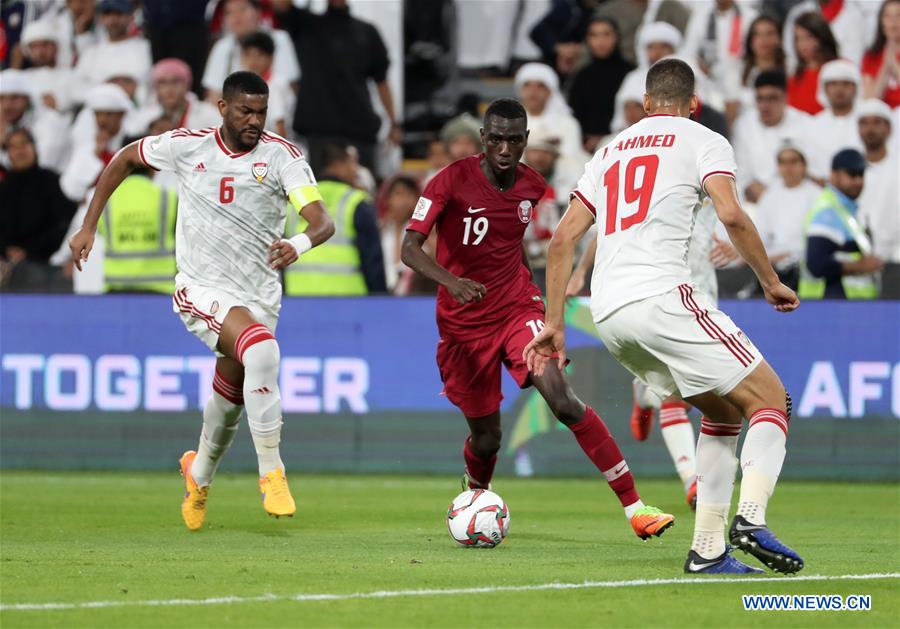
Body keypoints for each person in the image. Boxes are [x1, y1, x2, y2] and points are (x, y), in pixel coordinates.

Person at [526, 59, 804, 575]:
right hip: (662, 297)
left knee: (722, 414)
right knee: (773, 399)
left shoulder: (607, 151)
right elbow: (732, 215)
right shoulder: (703, 139)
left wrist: (556, 324)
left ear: (647, 103)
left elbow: (564, 237)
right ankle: (750, 518)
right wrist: (769, 280)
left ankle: (708, 552)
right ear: (692, 105)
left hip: (609, 313)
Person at [67, 71, 335, 530]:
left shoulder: (282, 157)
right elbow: (124, 159)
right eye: (246, 111)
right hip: (200, 287)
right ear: (224, 109)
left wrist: (300, 243)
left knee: (230, 396)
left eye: (262, 112)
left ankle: (199, 474)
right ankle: (272, 471)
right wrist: (90, 224)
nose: (255, 120)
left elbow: (321, 221)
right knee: (263, 351)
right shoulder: (188, 145)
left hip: (258, 295)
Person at [400, 98, 676, 541]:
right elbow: (409, 248)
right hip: (462, 326)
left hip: (516, 309)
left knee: (561, 398)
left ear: (525, 141)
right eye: (496, 140)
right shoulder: (449, 180)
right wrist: (452, 281)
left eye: (514, 140)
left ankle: (636, 507)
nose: (505, 149)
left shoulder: (533, 186)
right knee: (486, 438)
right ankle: (477, 498)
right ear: (483, 140)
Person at [273, 0, 401, 175]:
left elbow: (382, 81)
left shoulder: (367, 31)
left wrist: (394, 123)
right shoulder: (306, 24)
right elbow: (280, 4)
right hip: (318, 132)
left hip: (360, 130)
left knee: (362, 193)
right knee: (319, 195)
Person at [284, 141, 386, 295]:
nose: (356, 171)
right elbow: (373, 260)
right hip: (350, 302)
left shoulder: (294, 203)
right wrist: (381, 301)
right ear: (338, 164)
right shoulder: (357, 202)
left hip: (298, 300)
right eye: (353, 164)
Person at [0, 129, 77, 291]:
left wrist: (29, 251)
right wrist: (6, 249)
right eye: (13, 147)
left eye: (24, 144)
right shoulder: (3, 187)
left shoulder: (52, 181)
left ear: (34, 148)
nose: (20, 151)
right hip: (5, 264)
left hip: (44, 265)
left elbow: (64, 224)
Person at [800, 148, 883, 299]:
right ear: (834, 174)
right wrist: (861, 266)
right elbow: (816, 264)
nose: (858, 181)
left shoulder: (844, 209)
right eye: (852, 174)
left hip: (845, 305)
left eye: (861, 174)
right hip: (830, 307)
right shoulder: (828, 210)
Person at [97, 155, 177, 294]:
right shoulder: (168, 197)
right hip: (161, 289)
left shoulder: (106, 200)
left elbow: (102, 232)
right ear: (153, 168)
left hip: (117, 288)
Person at [733, 70, 811, 202]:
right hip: (756, 199)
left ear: (785, 98)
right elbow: (740, 170)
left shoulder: (805, 123)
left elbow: (809, 169)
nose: (765, 106)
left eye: (772, 98)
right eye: (760, 99)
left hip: (797, 197)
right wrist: (765, 197)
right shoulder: (744, 124)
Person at [202, 0, 299, 104]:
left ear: (258, 12)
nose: (236, 17)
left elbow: (288, 88)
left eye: (242, 9)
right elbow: (213, 97)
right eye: (228, 12)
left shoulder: (279, 39)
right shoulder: (222, 46)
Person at [754, 143, 823, 288]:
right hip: (771, 263)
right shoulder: (770, 195)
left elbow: (816, 241)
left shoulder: (817, 195)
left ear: (804, 165)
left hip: (803, 266)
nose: (788, 168)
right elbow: (760, 234)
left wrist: (786, 255)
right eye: (783, 162)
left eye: (793, 161)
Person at [514, 62, 588, 198]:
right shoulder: (510, 122)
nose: (533, 92)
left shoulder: (567, 123)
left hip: (559, 188)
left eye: (540, 86)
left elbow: (571, 159)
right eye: (527, 85)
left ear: (550, 91)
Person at [681, 0, 757, 124]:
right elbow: (688, 52)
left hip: (741, 79)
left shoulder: (750, 16)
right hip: (709, 81)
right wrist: (701, 68)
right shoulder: (701, 15)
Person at [568, 17, 635, 153]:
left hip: (624, 143)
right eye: (594, 35)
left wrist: (603, 137)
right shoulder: (581, 75)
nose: (600, 41)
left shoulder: (631, 74)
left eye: (606, 34)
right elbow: (574, 113)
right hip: (585, 147)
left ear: (617, 37)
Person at [72, 0, 152, 103]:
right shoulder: (91, 52)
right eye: (107, 14)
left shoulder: (145, 48)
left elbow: (152, 83)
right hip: (97, 110)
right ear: (100, 18)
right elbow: (75, 88)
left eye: (119, 14)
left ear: (130, 17)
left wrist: (135, 90)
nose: (113, 20)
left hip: (137, 110)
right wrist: (106, 89)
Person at [856, 98, 900, 282]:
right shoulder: (850, 169)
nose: (870, 129)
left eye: (876, 122)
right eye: (864, 123)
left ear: (888, 128)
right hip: (859, 261)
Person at [127, 59, 220, 137]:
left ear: (187, 84)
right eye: (163, 82)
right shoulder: (143, 117)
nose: (169, 88)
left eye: (175, 81)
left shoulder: (208, 114)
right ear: (155, 88)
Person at [0, 69, 70, 173]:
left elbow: (40, 167)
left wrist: (3, 147)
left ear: (28, 99)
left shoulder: (50, 122)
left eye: (14, 98)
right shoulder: (7, 123)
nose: (7, 106)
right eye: (1, 99)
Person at [807, 60, 864, 179]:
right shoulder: (813, 125)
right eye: (833, 84)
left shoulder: (867, 120)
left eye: (845, 84)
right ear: (824, 88)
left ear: (855, 87)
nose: (839, 89)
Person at [593, 0, 691, 66]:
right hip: (620, 69)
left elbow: (690, 45)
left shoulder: (672, 8)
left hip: (672, 67)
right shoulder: (609, 11)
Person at [239, 31, 294, 138]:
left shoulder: (276, 85)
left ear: (271, 58)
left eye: (259, 55)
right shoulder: (245, 87)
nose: (253, 61)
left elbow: (280, 129)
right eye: (248, 55)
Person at [784, 0, 866, 67]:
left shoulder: (854, 12)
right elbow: (791, 56)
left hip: (840, 76)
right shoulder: (798, 12)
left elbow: (854, 57)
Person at [786, 12, 838, 115]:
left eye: (808, 37)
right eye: (798, 38)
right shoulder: (794, 79)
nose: (803, 44)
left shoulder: (840, 69)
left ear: (821, 37)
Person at [19, 18, 75, 113]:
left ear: (56, 46)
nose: (40, 52)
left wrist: (60, 100)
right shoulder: (21, 78)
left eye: (45, 45)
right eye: (34, 47)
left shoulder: (70, 75)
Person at [376, 174, 420, 293]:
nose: (404, 200)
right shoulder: (379, 229)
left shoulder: (423, 232)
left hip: (413, 295)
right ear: (388, 199)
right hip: (380, 293)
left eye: (409, 194)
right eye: (398, 194)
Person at [739, 15, 786, 114]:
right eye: (757, 34)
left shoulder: (791, 70)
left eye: (770, 33)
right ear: (750, 41)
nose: (763, 39)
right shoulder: (738, 72)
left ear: (780, 38)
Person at [861, 0, 900, 107]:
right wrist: (886, 67)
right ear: (881, 21)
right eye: (888, 16)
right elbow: (870, 100)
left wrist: (894, 64)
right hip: (881, 118)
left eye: (898, 15)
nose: (894, 21)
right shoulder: (871, 56)